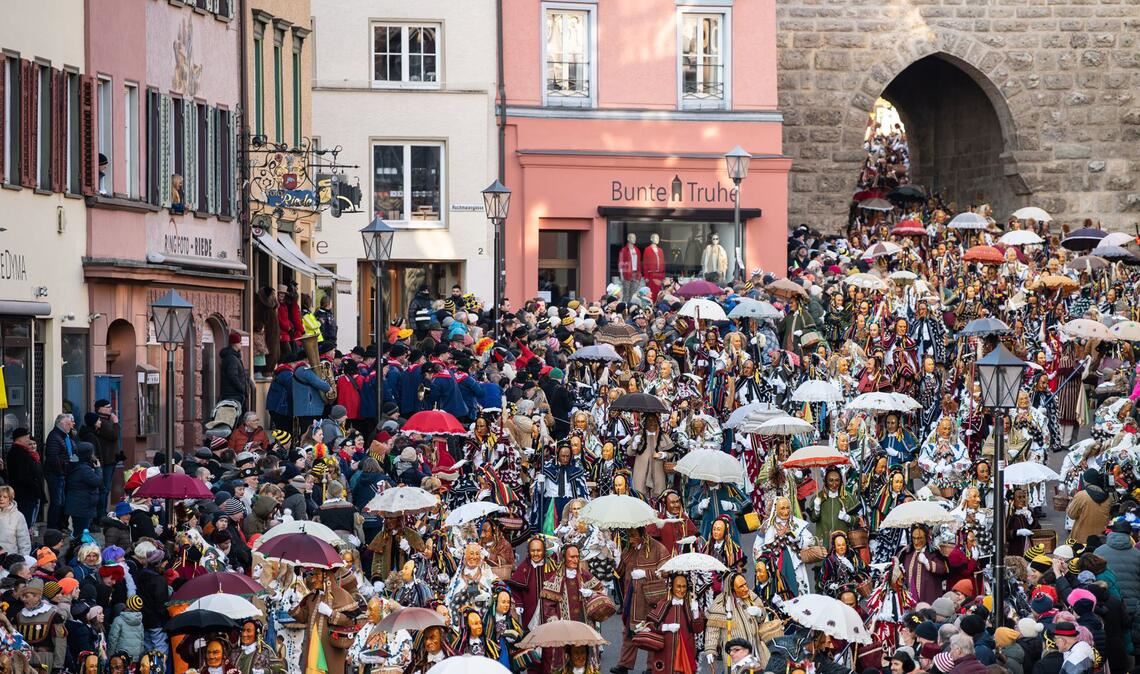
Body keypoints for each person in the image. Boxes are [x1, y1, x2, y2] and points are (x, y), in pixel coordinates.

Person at [5, 428, 45, 529]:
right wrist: (34, 486)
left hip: (29, 493)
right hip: (26, 495)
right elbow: (23, 475)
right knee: (25, 521)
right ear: (20, 439)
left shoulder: (23, 453)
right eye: (27, 438)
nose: (28, 440)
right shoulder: (18, 454)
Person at [43, 413, 76, 530]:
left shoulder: (65, 436)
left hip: (63, 474)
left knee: (62, 502)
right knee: (57, 502)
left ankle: (60, 526)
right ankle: (52, 527)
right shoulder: (54, 437)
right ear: (61, 424)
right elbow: (53, 458)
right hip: (56, 475)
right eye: (68, 424)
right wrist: (62, 471)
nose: (71, 426)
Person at [63, 442, 101, 536]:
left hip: (78, 505)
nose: (93, 456)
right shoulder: (84, 469)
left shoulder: (76, 465)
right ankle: (78, 549)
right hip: (82, 506)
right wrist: (98, 469)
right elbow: (97, 481)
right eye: (92, 453)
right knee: (81, 533)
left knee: (79, 531)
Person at [220, 332, 249, 406]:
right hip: (233, 395)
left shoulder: (233, 357)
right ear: (235, 343)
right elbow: (232, 376)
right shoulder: (232, 358)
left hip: (232, 394)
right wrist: (242, 389)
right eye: (240, 342)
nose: (241, 344)